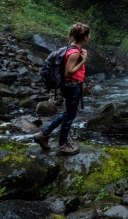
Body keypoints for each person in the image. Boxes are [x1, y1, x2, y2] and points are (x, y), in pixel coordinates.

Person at [34, 22, 90, 155]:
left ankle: (44, 135)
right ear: (85, 37)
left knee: (68, 113)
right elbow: (68, 72)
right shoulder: (74, 53)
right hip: (71, 85)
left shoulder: (70, 48)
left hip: (69, 85)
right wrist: (83, 61)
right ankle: (62, 145)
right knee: (70, 115)